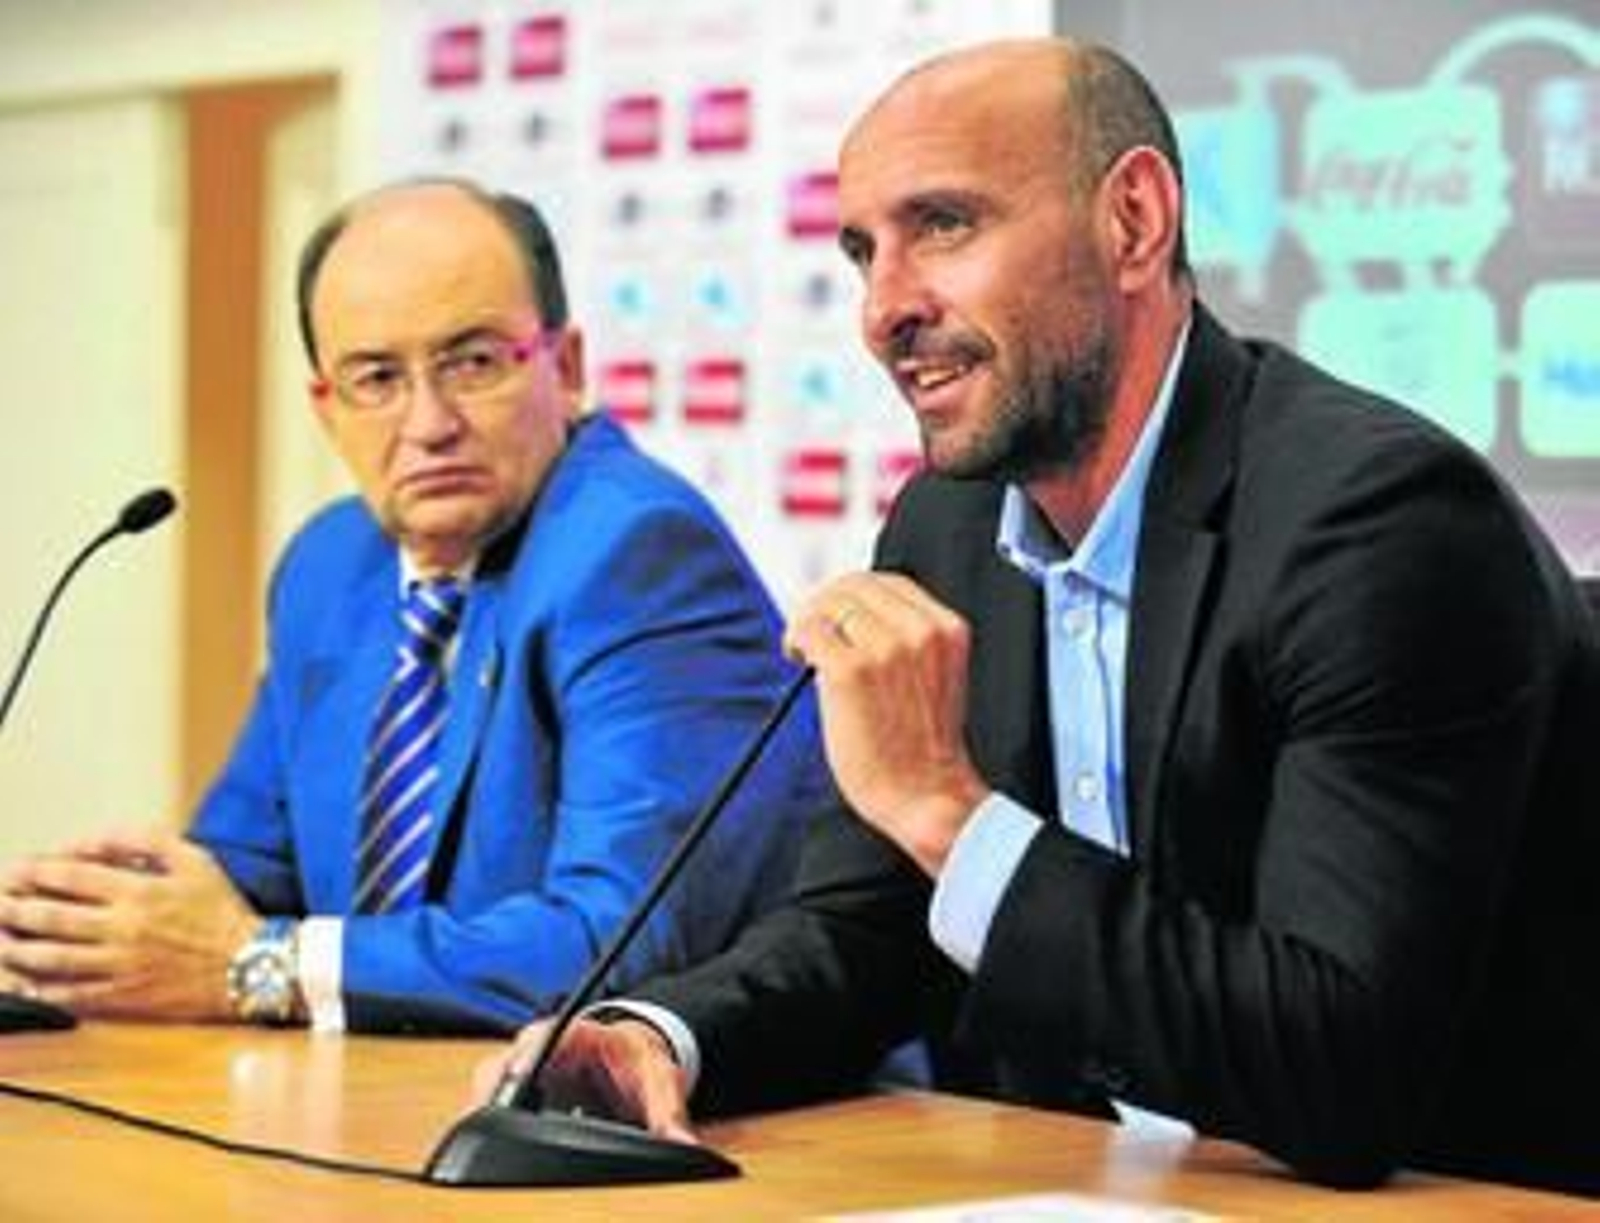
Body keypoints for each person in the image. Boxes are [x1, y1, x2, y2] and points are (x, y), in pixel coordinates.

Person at [481, 39, 1600, 1194]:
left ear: (1132, 221)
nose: (882, 310)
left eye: (944, 226)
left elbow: (1343, 1068)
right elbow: (862, 934)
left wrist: (947, 814)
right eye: (864, 250)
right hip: (1089, 1185)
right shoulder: (947, 528)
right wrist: (661, 1036)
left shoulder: (1379, 525)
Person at [0, 179, 823, 1034]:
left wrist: (262, 965)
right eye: (377, 377)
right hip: (391, 1100)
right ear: (327, 407)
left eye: (472, 362)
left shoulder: (636, 553)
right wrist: (83, 924)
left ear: (566, 368)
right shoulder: (330, 566)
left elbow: (614, 943)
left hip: (725, 1125)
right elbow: (246, 869)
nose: (428, 422)